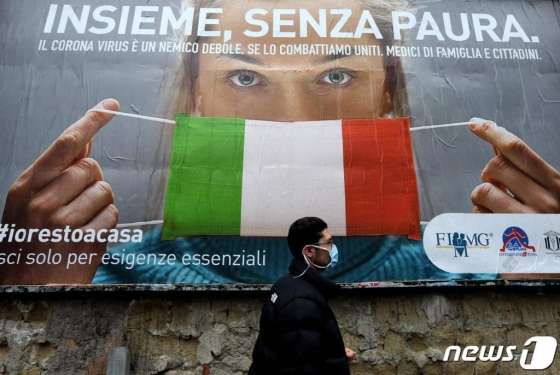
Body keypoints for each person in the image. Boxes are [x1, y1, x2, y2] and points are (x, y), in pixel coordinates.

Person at [1, 0, 559, 284]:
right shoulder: (95, 276)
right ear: (196, 96)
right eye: (245, 78)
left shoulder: (483, 276)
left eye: (336, 77)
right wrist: (29, 291)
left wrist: (546, 289)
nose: (292, 121)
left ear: (388, 94)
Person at [249, 217, 355, 375]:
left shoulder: (287, 284)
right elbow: (300, 368)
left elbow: (296, 351)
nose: (333, 248)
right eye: (328, 243)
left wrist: (334, 354)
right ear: (309, 251)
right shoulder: (301, 302)